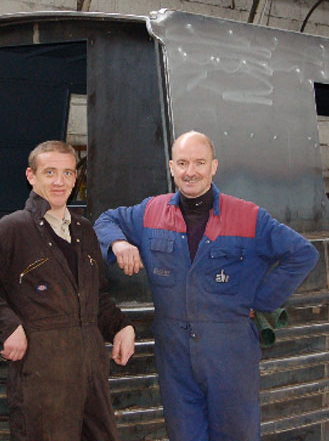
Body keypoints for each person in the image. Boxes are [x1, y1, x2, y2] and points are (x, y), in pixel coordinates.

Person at [94, 130, 319, 441]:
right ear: (171, 167)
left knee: (236, 434)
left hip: (230, 352)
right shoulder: (151, 212)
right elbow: (106, 221)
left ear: (214, 166)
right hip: (174, 354)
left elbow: (303, 254)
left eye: (200, 163)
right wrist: (119, 243)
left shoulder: (247, 216)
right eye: (182, 163)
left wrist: (261, 301)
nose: (191, 172)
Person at [0, 140, 135, 441]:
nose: (59, 181)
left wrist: (121, 326)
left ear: (75, 179)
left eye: (67, 173)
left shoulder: (84, 231)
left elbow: (97, 297)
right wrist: (8, 325)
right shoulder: (12, 229)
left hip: (92, 375)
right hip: (43, 377)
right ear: (31, 176)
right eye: (50, 172)